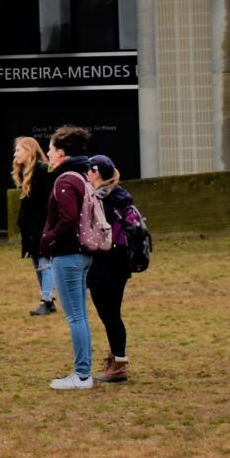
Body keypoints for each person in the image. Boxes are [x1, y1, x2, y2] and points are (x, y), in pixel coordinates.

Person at [39, 126, 99, 391]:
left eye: (50, 149)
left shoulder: (64, 180)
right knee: (81, 315)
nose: (48, 155)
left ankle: (82, 375)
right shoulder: (82, 176)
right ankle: (83, 371)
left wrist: (47, 240)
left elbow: (68, 219)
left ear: (60, 152)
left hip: (68, 254)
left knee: (75, 317)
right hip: (83, 254)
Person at [86, 157, 141, 384]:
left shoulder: (101, 199)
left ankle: (118, 365)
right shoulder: (120, 195)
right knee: (113, 314)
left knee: (109, 315)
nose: (87, 174)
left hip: (103, 264)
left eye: (89, 171)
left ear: (96, 173)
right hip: (121, 264)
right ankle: (116, 358)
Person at [12, 137, 61, 317]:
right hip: (31, 228)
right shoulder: (26, 173)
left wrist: (46, 226)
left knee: (44, 262)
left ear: (29, 151)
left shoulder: (42, 170)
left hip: (41, 226)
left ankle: (46, 300)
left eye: (18, 150)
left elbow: (48, 201)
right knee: (37, 262)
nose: (15, 154)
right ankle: (48, 300)